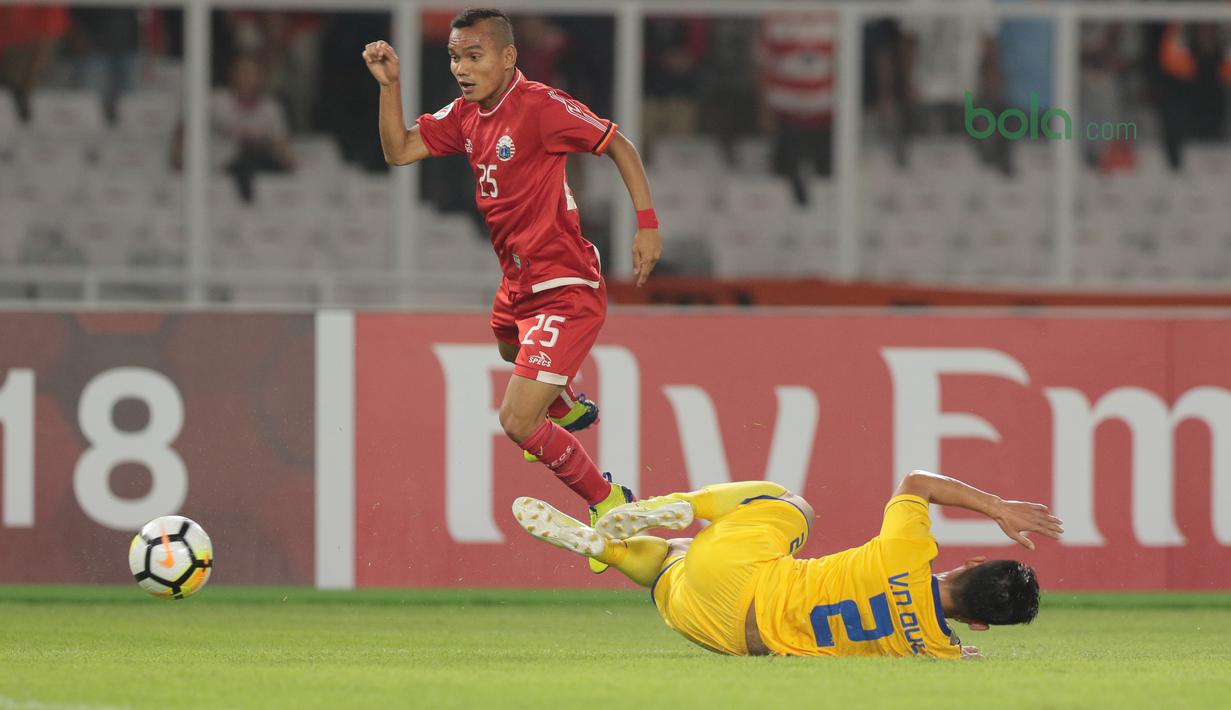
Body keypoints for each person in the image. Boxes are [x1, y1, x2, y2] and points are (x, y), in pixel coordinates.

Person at [363, 9, 662, 573]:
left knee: (518, 422)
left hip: (564, 285)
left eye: (473, 56)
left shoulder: (542, 106)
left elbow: (618, 143)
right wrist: (391, 87)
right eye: (454, 57)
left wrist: (646, 224)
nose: (460, 68)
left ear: (507, 57)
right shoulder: (468, 116)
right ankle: (565, 400)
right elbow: (399, 151)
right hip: (517, 284)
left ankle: (609, 501)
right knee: (506, 342)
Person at [514, 469, 1062, 657]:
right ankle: (604, 550)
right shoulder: (934, 650)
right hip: (720, 634)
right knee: (670, 565)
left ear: (971, 561)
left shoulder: (908, 551)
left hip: (739, 573)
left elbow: (916, 482)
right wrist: (955, 650)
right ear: (978, 624)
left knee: (794, 503)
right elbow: (946, 650)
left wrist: (997, 507)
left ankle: (671, 508)